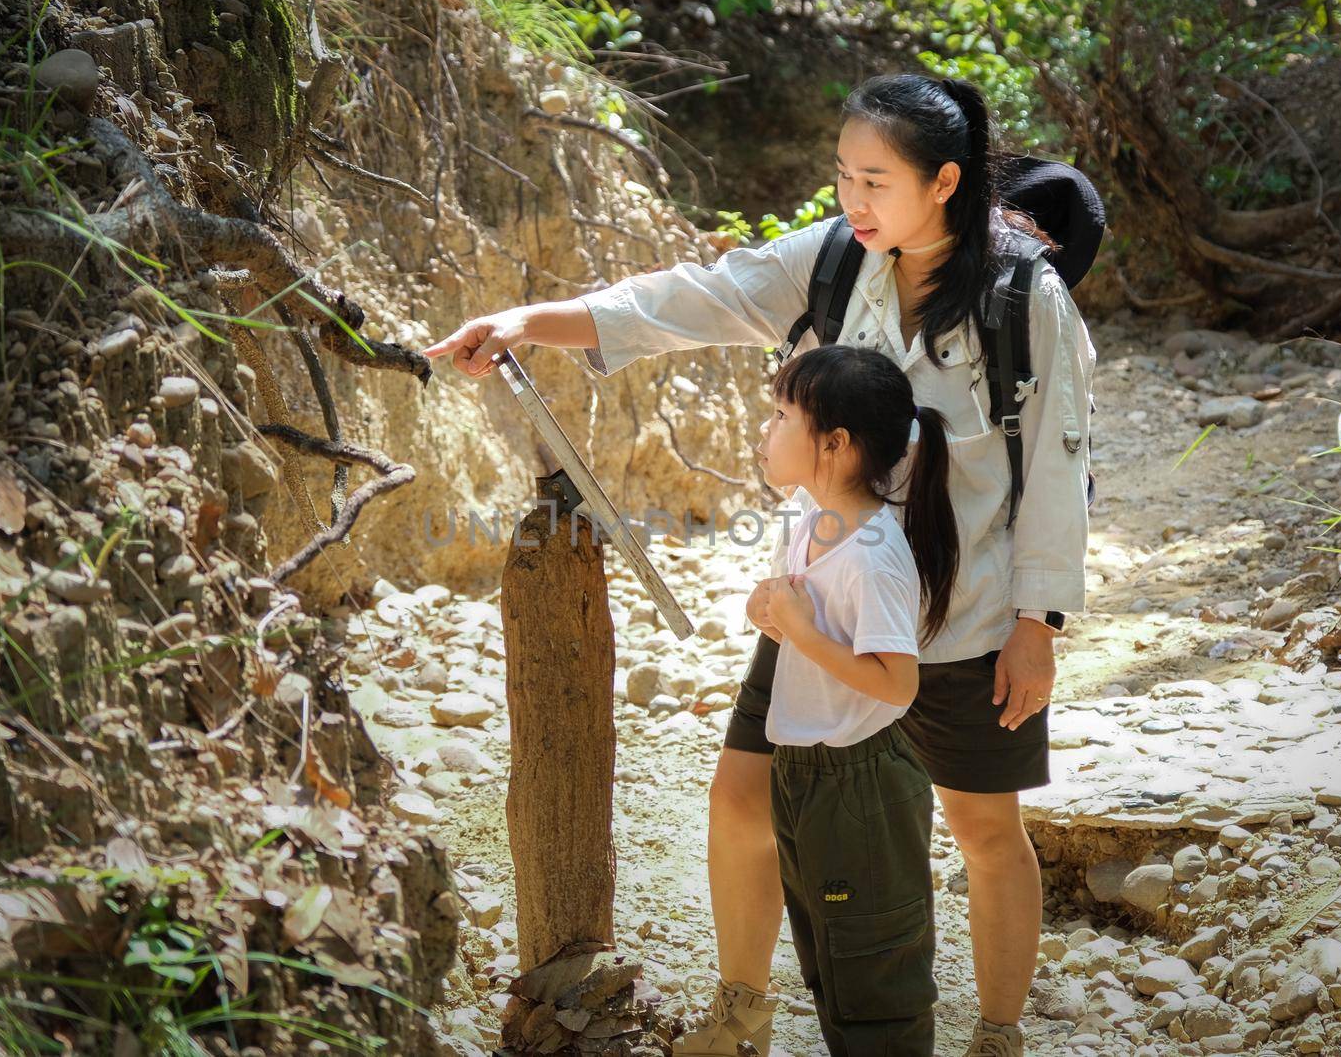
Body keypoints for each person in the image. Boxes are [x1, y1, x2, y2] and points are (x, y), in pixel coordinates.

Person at [426, 73, 1095, 1057]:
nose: (851, 203)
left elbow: (1060, 466)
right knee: (742, 797)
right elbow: (695, 299)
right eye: (842, 178)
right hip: (824, 606)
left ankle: (997, 1032)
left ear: (945, 180)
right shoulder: (835, 260)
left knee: (982, 829)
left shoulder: (1022, 298)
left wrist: (1038, 625)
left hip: (966, 616)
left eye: (875, 180)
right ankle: (739, 1010)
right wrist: (532, 322)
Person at [744, 343, 956, 1055]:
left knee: (875, 975)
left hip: (860, 780)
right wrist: (774, 611)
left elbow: (897, 683)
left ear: (833, 444)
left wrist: (798, 632)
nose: (766, 431)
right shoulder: (815, 521)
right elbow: (806, 617)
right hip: (803, 772)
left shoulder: (872, 552)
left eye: (780, 417)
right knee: (829, 963)